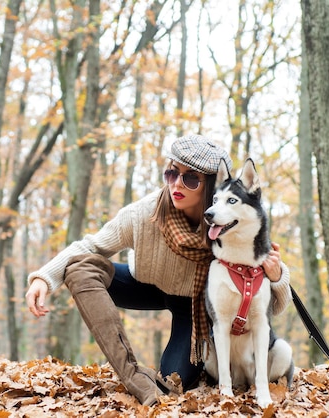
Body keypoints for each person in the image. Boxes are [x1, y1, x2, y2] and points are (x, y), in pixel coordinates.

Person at [25, 134, 291, 406]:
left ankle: (168, 376)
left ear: (212, 186)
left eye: (190, 179)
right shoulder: (142, 215)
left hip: (192, 305)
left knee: (174, 381)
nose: (177, 184)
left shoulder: (231, 226)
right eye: (171, 173)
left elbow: (272, 306)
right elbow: (90, 245)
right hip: (143, 284)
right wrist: (44, 278)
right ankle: (133, 375)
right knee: (81, 267)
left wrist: (276, 276)